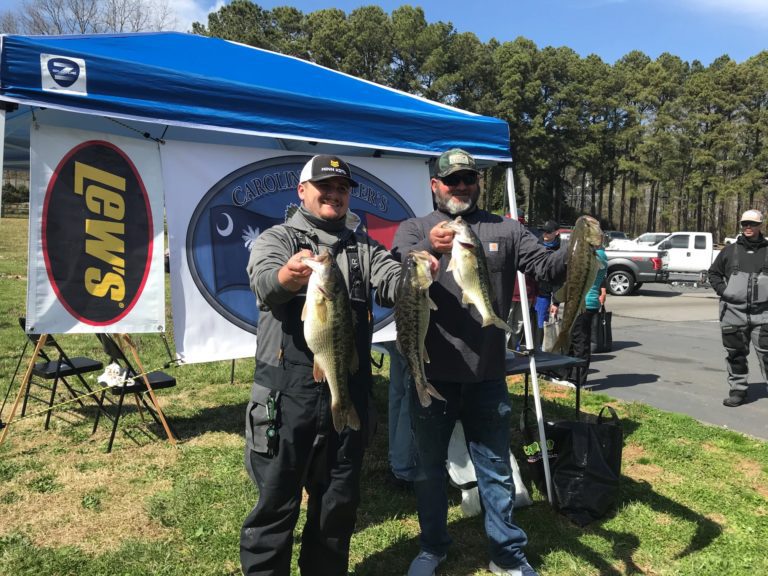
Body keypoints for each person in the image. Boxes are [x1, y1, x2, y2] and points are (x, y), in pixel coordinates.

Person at [391, 148, 567, 576]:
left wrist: (576, 250)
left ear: (478, 183)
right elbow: (398, 267)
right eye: (452, 180)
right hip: (432, 374)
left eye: (468, 179)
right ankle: (432, 547)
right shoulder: (415, 228)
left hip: (487, 374)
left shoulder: (505, 228)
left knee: (494, 469)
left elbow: (545, 268)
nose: (461, 187)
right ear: (435, 185)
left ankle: (507, 554)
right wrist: (425, 250)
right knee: (429, 470)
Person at [240, 154, 405, 576]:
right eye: (324, 186)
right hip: (285, 392)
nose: (334, 194)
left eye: (342, 188)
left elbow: (391, 282)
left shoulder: (364, 246)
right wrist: (287, 277)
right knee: (276, 506)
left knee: (337, 505)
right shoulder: (277, 238)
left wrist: (419, 276)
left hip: (344, 389)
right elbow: (263, 284)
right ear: (302, 191)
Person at [708, 209, 768, 408]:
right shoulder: (729, 250)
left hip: (764, 314)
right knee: (736, 355)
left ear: (761, 225)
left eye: (752, 224)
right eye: (744, 224)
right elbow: (714, 274)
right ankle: (738, 390)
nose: (748, 227)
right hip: (733, 313)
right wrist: (725, 292)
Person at [564, 244, 608, 386]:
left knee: (580, 342)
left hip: (586, 304)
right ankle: (568, 375)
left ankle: (577, 380)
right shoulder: (596, 253)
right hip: (580, 303)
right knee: (573, 341)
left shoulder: (598, 254)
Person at [378, 340, 418, 490]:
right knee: (410, 394)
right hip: (406, 325)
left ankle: (397, 460)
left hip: (391, 325)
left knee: (399, 392)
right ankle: (403, 467)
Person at [534, 221, 564, 350]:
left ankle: (541, 349)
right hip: (532, 290)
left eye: (548, 231)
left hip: (546, 292)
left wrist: (556, 302)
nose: (544, 234)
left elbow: (559, 277)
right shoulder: (536, 245)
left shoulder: (562, 248)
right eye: (543, 231)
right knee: (523, 322)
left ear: (557, 232)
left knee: (542, 322)